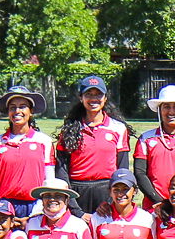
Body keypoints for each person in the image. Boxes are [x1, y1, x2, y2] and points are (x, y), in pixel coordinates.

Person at [55, 75, 134, 214]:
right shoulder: (68, 130)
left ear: (105, 98)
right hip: (77, 191)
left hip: (106, 190)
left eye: (98, 94)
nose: (93, 99)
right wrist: (75, 209)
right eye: (88, 94)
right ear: (81, 98)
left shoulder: (118, 128)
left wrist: (110, 202)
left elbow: (122, 169)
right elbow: (62, 171)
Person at [0, 85, 54, 222]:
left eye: (23, 106)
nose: (17, 111)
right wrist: (0, 208)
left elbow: (49, 180)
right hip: (5, 206)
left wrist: (35, 212)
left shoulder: (44, 141)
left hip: (36, 206)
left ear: (31, 111)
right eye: (12, 107)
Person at [134, 84, 175, 210]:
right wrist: (159, 202)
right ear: (159, 110)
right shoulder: (146, 138)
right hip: (154, 206)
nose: (171, 112)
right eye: (166, 106)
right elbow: (140, 173)